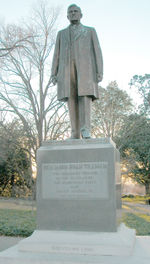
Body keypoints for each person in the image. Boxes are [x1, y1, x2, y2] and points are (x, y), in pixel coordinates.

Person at [51, 4, 103, 139]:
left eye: (76, 11)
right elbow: (56, 54)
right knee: (71, 98)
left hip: (86, 70)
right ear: (67, 16)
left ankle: (86, 129)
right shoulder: (61, 34)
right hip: (66, 70)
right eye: (70, 12)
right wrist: (53, 73)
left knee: (84, 97)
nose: (73, 13)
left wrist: (99, 70)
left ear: (81, 15)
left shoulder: (90, 31)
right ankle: (75, 132)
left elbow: (97, 51)